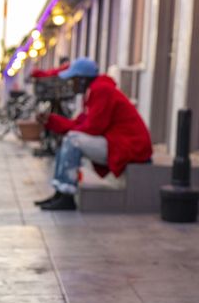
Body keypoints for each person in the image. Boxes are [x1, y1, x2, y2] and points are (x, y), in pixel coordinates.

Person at [33, 57, 152, 210]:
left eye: (74, 79)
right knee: (71, 138)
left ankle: (66, 194)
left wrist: (66, 130)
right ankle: (60, 192)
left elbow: (93, 127)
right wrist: (51, 120)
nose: (71, 83)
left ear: (83, 80)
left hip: (130, 148)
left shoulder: (101, 90)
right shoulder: (94, 91)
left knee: (73, 139)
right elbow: (81, 123)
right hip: (119, 144)